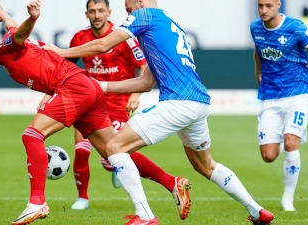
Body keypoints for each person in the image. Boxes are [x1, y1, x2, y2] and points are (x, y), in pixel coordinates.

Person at [43, 0, 275, 224]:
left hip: (177, 102)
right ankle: (258, 212)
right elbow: (145, 83)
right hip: (198, 104)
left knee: (114, 147)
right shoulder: (169, 25)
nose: (128, 16)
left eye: (129, 9)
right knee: (205, 166)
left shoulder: (144, 16)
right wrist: (100, 87)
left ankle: (144, 216)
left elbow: (104, 44)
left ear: (141, 3)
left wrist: (60, 52)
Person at [0, 1, 191, 224]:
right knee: (113, 150)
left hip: (73, 88)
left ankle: (37, 201)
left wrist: (32, 18)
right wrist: (6, 17)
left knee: (32, 135)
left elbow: (19, 33)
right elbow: (14, 29)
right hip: (87, 87)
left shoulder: (4, 49)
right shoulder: (8, 45)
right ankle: (172, 183)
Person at [59, 0, 191, 213]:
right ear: (86, 14)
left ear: (109, 13)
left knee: (113, 155)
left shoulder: (123, 36)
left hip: (117, 103)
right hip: (89, 102)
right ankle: (82, 198)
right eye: (92, 11)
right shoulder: (79, 38)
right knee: (81, 150)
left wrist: (135, 95)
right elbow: (67, 68)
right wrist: (53, 93)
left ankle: (155, 184)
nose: (96, 15)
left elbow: (144, 67)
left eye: (101, 10)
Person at [251, 0, 308, 212]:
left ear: (279, 4)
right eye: (260, 5)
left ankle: (287, 199)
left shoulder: (295, 27)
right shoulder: (255, 28)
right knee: (268, 156)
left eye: (268, 5)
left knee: (290, 144)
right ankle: (282, 134)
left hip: (298, 94)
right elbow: (258, 50)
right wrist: (258, 72)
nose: (263, 10)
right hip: (270, 97)